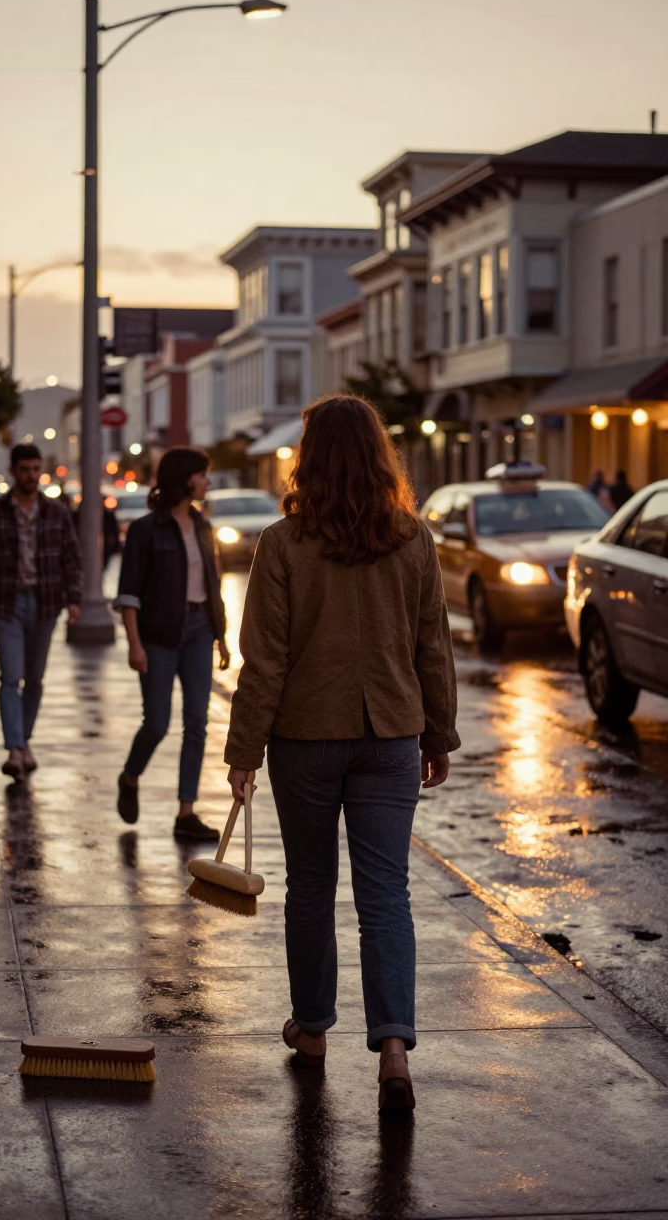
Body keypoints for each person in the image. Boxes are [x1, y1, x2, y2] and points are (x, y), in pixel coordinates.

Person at [224, 395, 459, 1116]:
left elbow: (263, 660)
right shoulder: (411, 539)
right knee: (386, 894)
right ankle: (393, 1047)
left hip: (306, 736)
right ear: (380, 458)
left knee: (310, 886)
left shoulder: (284, 543)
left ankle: (314, 1029)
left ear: (310, 458)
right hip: (389, 735)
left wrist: (244, 751)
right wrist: (437, 734)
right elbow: (432, 647)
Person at [115, 447, 230, 842]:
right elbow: (128, 592)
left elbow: (212, 586)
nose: (207, 482)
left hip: (199, 630)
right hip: (158, 635)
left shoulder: (202, 526)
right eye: (202, 475)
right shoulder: (146, 530)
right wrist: (135, 644)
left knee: (197, 723)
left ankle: (186, 812)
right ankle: (130, 778)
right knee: (157, 723)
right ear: (184, 478)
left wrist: (221, 636)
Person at [0, 443, 82, 780]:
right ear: (13, 471)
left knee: (34, 678)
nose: (31, 476)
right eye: (25, 470)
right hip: (7, 602)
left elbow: (71, 557)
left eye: (35, 469)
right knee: (10, 677)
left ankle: (24, 740)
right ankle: (15, 749)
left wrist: (74, 598)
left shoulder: (56, 512)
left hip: (46, 602)